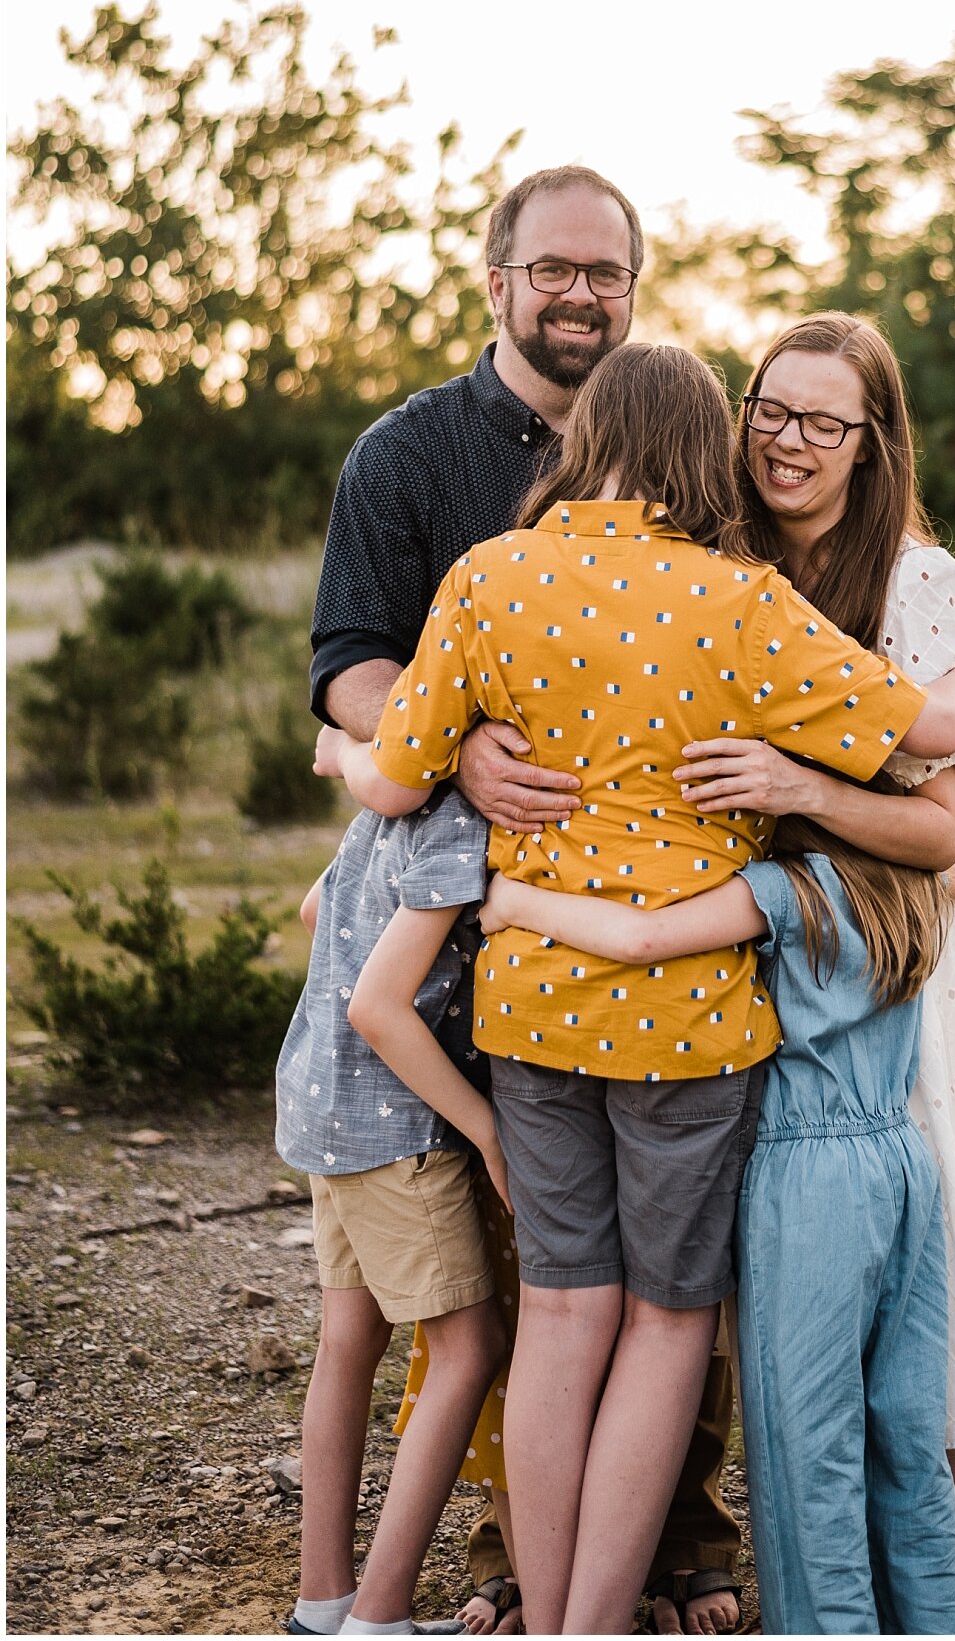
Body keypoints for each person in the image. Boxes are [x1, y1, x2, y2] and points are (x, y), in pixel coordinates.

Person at [316, 341, 955, 1636]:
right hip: (691, 1027)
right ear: (705, 449)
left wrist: (360, 749)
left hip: (530, 1012)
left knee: (562, 1321)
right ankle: (591, 1624)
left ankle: (554, 1609)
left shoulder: (488, 580)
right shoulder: (740, 602)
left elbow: (396, 781)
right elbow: (925, 735)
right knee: (670, 1329)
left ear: (591, 439)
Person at [311, 163, 746, 1633]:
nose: (580, 295)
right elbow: (352, 666)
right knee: (535, 1248)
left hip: (670, 914)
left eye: (606, 274)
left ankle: (677, 1528)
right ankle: (525, 1557)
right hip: (478, 915)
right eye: (553, 269)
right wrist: (458, 746)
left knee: (672, 1255)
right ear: (495, 278)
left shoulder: (696, 462)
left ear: (635, 288)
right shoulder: (411, 455)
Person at [662, 313, 955, 1633]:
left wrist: (802, 782)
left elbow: (940, 834)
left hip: (876, 962)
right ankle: (721, 1554)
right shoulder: (712, 563)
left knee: (924, 1266)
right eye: (769, 407)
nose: (787, 440)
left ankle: (944, 1573)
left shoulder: (918, 583)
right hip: (728, 940)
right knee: (752, 1286)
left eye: (823, 420)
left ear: (876, 443)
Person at [479, 808, 955, 1634]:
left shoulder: (783, 890)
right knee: (906, 1421)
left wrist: (519, 902)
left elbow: (643, 939)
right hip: (903, 1164)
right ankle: (934, 1616)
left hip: (809, 1181)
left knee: (810, 1438)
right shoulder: (911, 882)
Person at [274, 787, 508, 1638]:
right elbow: (379, 1008)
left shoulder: (391, 802)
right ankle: (379, 1616)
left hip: (320, 1106)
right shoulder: (460, 821)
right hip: (397, 1126)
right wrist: (484, 1128)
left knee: (348, 1343)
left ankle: (322, 1602)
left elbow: (313, 909)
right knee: (469, 1347)